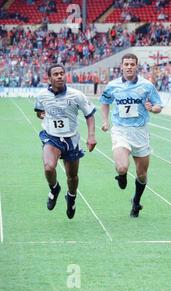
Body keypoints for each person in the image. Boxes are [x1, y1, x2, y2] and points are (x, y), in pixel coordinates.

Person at [100, 53, 163, 217]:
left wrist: (152, 108)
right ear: (121, 66)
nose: (129, 67)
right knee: (122, 167)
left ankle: (136, 201)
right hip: (120, 130)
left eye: (132, 64)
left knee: (142, 175)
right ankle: (121, 175)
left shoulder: (147, 86)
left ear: (137, 66)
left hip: (140, 133)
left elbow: (158, 106)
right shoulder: (112, 86)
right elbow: (105, 102)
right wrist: (105, 121)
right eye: (126, 64)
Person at [34, 64, 97, 219]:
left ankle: (71, 197)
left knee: (72, 177)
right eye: (56, 74)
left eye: (62, 73)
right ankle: (54, 189)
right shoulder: (42, 96)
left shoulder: (76, 95)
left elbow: (89, 115)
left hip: (71, 139)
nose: (60, 76)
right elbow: (39, 112)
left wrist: (91, 136)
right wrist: (42, 115)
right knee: (49, 167)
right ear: (49, 78)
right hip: (52, 137)